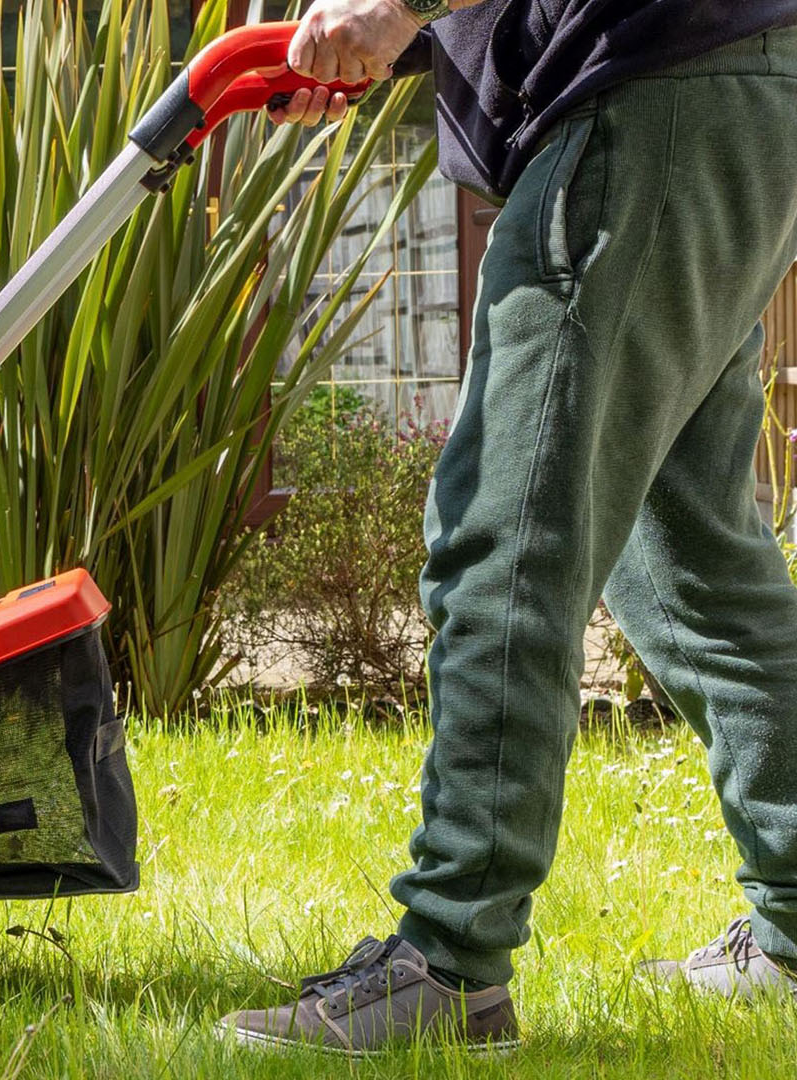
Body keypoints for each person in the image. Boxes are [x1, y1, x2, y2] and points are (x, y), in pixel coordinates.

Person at [216, 0, 797, 1056]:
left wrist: (388, 9)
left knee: (508, 531)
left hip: (642, 97)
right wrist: (397, 45)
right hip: (726, 87)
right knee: (692, 556)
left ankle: (449, 964)